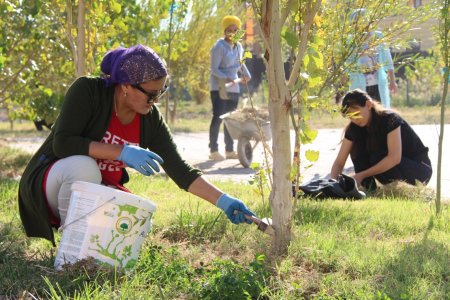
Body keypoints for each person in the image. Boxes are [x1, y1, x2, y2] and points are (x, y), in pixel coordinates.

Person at [18, 44, 256, 246]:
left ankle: (88, 249)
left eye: (161, 93)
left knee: (139, 221)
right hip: (53, 182)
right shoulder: (88, 91)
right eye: (151, 94)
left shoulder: (149, 118)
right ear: (125, 86)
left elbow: (180, 170)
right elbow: (63, 144)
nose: (155, 101)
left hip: (97, 189)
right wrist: (121, 152)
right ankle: (71, 249)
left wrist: (224, 200)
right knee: (84, 167)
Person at [330, 89, 432, 191]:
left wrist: (361, 175)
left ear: (368, 105)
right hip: (391, 168)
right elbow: (339, 162)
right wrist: (333, 184)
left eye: (356, 114)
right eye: (350, 117)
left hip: (419, 170)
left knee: (377, 157)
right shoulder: (353, 128)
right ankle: (370, 189)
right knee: (358, 152)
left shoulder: (390, 119)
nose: (355, 120)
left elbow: (394, 158)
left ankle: (395, 191)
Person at [208, 15, 251, 161]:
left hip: (234, 88)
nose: (232, 32)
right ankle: (213, 150)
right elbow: (214, 69)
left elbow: (241, 64)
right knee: (218, 117)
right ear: (225, 31)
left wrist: (246, 75)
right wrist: (227, 78)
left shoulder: (239, 47)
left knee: (230, 119)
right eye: (229, 29)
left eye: (236, 29)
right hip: (219, 87)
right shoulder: (219, 47)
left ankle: (229, 150)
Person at [347, 8, 397, 109]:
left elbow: (388, 59)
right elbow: (347, 64)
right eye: (355, 23)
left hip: (378, 83)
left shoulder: (378, 36)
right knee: (362, 114)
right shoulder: (350, 41)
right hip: (358, 85)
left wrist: (392, 81)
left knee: (380, 114)